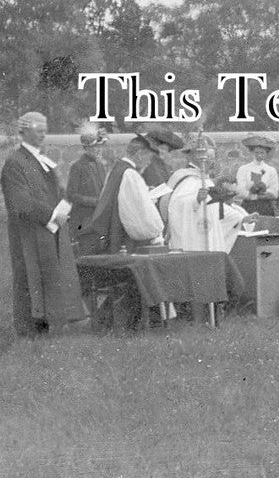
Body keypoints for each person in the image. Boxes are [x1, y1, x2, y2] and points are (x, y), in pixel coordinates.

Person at [2, 112, 85, 335]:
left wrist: (64, 206)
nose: (43, 135)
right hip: (28, 233)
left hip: (48, 231)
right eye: (39, 131)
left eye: (44, 130)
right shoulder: (14, 163)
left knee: (50, 277)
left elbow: (57, 191)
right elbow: (20, 202)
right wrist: (51, 215)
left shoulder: (43, 159)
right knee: (29, 277)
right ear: (25, 131)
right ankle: (30, 329)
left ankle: (48, 324)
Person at [83, 134, 166, 256]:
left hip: (110, 234)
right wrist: (157, 231)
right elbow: (140, 212)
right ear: (139, 154)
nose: (149, 162)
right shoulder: (130, 174)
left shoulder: (117, 169)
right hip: (124, 240)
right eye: (149, 157)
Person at [163, 134, 247, 253]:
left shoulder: (204, 179)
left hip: (207, 232)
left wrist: (240, 218)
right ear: (196, 157)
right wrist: (196, 200)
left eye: (212, 158)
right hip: (194, 239)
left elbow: (215, 206)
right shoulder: (187, 179)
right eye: (209, 158)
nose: (211, 162)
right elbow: (177, 205)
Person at [67, 127, 109, 256]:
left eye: (99, 147)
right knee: (87, 258)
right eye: (94, 147)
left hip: (99, 222)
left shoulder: (101, 166)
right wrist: (96, 202)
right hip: (84, 223)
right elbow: (71, 195)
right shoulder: (77, 167)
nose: (98, 150)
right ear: (86, 148)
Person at [236, 135, 279, 216]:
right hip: (248, 206)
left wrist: (262, 192)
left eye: (262, 152)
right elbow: (240, 190)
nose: (259, 155)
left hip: (265, 207)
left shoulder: (271, 170)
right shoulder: (243, 169)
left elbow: (274, 192)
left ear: (266, 153)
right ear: (252, 153)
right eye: (257, 152)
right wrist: (252, 195)